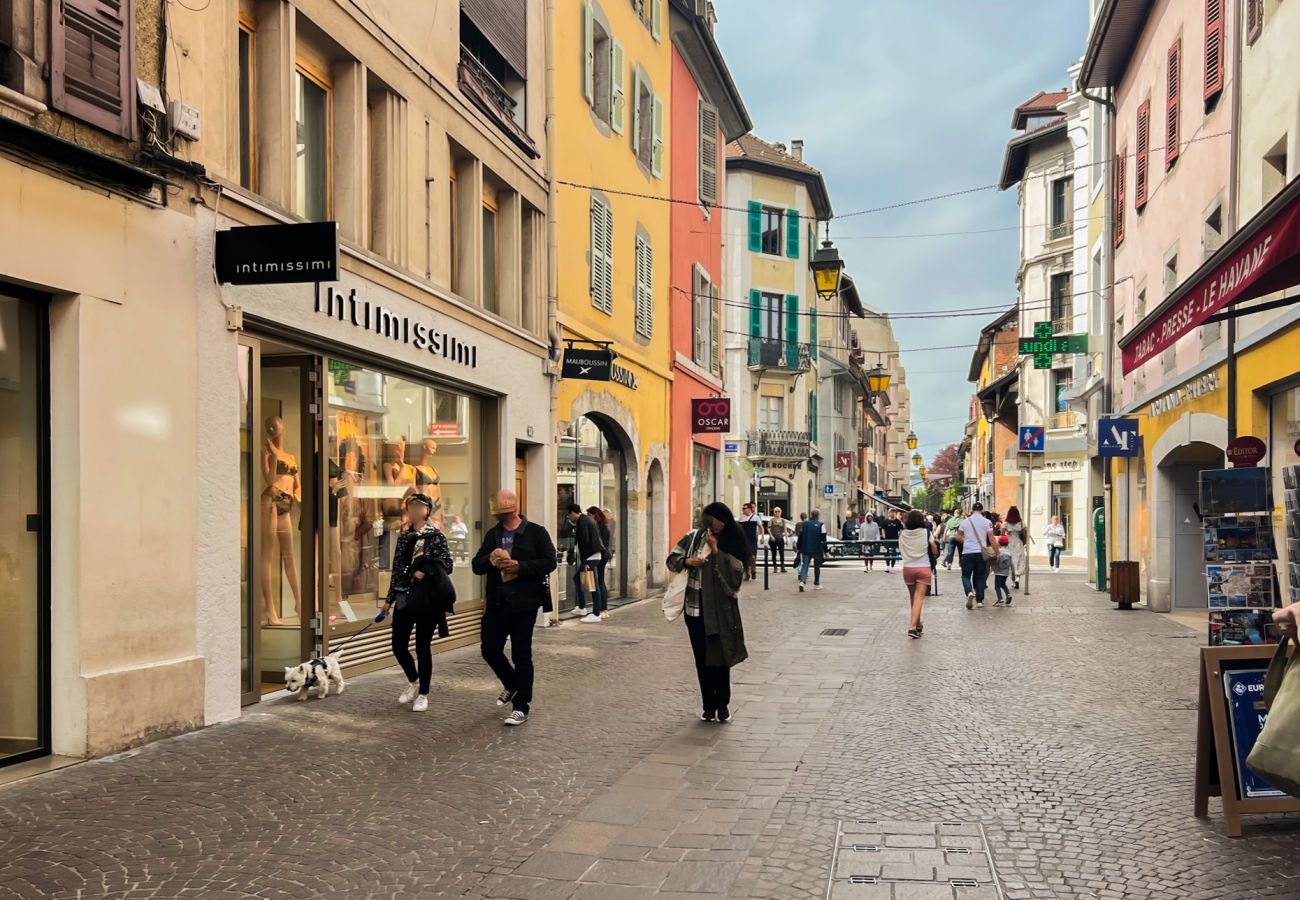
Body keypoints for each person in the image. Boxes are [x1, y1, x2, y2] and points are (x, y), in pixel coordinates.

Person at [472, 489, 558, 726]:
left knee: (521, 654)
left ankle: (522, 706)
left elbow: (550, 561)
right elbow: (476, 566)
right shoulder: (493, 535)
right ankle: (512, 685)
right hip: (497, 602)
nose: (495, 514)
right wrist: (490, 560)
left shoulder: (536, 533)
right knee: (489, 649)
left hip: (524, 603)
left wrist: (520, 566)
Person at [665, 502, 749, 723]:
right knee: (702, 659)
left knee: (720, 658)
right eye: (716, 520)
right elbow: (671, 561)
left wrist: (715, 550)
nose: (720, 525)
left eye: (723, 521)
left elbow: (737, 574)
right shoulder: (693, 537)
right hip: (694, 609)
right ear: (708, 519)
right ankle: (708, 707)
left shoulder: (732, 539)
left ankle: (722, 705)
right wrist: (687, 561)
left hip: (720, 611)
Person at [378, 494, 454, 712]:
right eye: (410, 506)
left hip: (427, 599)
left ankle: (423, 694)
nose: (413, 510)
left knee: (423, 647)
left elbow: (447, 566)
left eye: (418, 506)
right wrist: (389, 600)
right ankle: (414, 681)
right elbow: (397, 570)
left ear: (427, 510)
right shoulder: (404, 537)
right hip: (404, 596)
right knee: (398, 645)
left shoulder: (436, 536)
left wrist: (426, 570)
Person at [898, 509, 938, 639]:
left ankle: (918, 624)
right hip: (923, 567)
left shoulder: (903, 534)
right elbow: (934, 550)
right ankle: (912, 627)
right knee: (919, 598)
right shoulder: (926, 532)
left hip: (908, 568)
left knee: (913, 598)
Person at [565, 504, 605, 621]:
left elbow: (585, 542)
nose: (568, 517)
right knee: (578, 579)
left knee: (594, 584)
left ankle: (596, 613)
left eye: (568, 515)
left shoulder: (583, 521)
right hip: (594, 555)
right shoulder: (588, 520)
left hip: (590, 557)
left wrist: (585, 561)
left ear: (573, 513)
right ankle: (582, 607)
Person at [957, 502, 996, 609]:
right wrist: (997, 551)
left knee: (965, 576)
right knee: (980, 577)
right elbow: (991, 538)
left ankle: (969, 592)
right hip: (980, 553)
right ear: (982, 510)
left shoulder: (965, 522)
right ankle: (979, 601)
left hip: (967, 552)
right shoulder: (987, 522)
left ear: (972, 510)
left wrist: (966, 541)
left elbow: (958, 537)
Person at [797, 509, 826, 591]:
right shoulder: (821, 525)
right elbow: (823, 538)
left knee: (805, 565)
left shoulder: (804, 524)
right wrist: (825, 550)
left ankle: (802, 581)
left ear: (811, 514)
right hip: (817, 548)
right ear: (818, 515)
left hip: (805, 548)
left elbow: (801, 536)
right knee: (817, 566)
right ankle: (816, 583)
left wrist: (799, 547)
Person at [1003, 506, 1028, 590]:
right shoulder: (1021, 523)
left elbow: (1002, 535)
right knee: (1020, 560)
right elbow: (1025, 534)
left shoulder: (1006, 523)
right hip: (1018, 542)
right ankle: (1017, 578)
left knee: (1012, 560)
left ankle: (1013, 580)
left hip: (1009, 543)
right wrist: (1025, 542)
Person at [737, 503, 763, 580]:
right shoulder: (741, 518)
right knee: (744, 557)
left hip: (752, 540)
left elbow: (761, 527)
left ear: (749, 509)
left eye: (744, 508)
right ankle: (747, 573)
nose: (743, 510)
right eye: (743, 508)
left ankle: (753, 570)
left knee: (752, 556)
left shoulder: (756, 517)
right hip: (744, 540)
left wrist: (762, 536)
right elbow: (738, 528)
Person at [991, 535, 1014, 606]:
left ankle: (1000, 600)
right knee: (1003, 584)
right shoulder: (1009, 553)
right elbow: (1012, 564)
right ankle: (1008, 595)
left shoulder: (998, 552)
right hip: (1006, 572)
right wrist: (1013, 573)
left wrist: (991, 568)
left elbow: (995, 561)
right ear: (1007, 544)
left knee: (997, 586)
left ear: (999, 543)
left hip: (998, 571)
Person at [767, 507, 789, 573]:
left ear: (781, 512)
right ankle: (775, 567)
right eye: (776, 511)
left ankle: (782, 567)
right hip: (773, 539)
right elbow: (768, 529)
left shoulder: (783, 520)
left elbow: (785, 529)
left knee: (781, 553)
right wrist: (771, 536)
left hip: (780, 538)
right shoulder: (771, 520)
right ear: (774, 512)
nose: (777, 513)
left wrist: (786, 539)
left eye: (779, 511)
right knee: (774, 553)